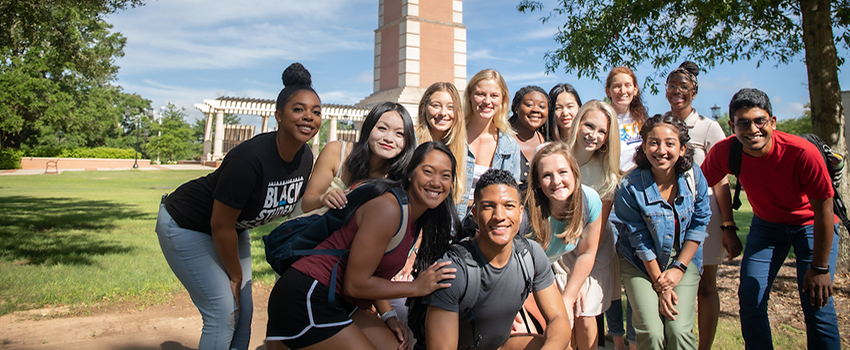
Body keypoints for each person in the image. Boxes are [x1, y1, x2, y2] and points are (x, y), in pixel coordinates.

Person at [155, 62, 321, 350]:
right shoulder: (250, 159)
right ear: (278, 115)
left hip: (233, 229)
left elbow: (298, 206)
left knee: (244, 313)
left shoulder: (305, 158)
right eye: (298, 109)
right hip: (186, 224)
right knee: (223, 313)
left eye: (316, 111)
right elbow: (219, 224)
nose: (309, 116)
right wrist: (235, 275)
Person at [266, 142, 462, 350]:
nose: (436, 182)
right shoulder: (389, 209)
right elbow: (355, 284)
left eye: (445, 176)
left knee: (397, 347)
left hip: (339, 300)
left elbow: (373, 274)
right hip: (307, 296)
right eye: (428, 172)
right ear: (411, 173)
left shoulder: (417, 218)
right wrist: (416, 287)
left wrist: (389, 317)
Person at [701, 88, 841, 350]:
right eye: (743, 122)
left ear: (772, 122)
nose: (752, 129)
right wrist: (726, 228)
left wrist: (821, 269)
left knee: (817, 303)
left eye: (759, 121)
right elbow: (695, 191)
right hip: (767, 227)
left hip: (811, 225)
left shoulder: (801, 152)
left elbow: (824, 209)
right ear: (732, 126)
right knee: (751, 299)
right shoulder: (725, 152)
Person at [417, 169, 571, 350]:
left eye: (509, 206)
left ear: (521, 212)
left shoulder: (530, 254)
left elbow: (558, 318)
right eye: (489, 206)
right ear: (474, 213)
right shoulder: (453, 271)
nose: (499, 216)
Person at [615, 113, 710, 350]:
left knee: (678, 331)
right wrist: (661, 284)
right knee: (652, 332)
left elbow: (699, 224)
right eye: (653, 143)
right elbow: (639, 240)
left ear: (682, 148)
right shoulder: (629, 186)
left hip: (682, 259)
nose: (661, 150)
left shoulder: (693, 177)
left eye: (670, 143)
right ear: (644, 147)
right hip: (640, 261)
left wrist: (678, 270)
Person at [664, 61, 735, 350]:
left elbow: (720, 181)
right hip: (668, 217)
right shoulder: (659, 122)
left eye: (684, 87)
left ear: (694, 91)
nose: (677, 92)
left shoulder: (708, 126)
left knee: (706, 285)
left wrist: (728, 226)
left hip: (704, 216)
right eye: (671, 86)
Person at [523, 141, 606, 349]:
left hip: (541, 275)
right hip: (516, 279)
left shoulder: (590, 200)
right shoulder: (524, 212)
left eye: (562, 172)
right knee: (550, 334)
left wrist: (567, 300)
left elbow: (587, 252)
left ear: (575, 173)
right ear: (537, 182)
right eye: (547, 175)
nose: (556, 181)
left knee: (575, 321)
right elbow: (507, 267)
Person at [564, 100, 623, 349]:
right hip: (558, 246)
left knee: (586, 318)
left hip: (592, 247)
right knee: (563, 318)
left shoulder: (606, 173)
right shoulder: (555, 156)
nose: (594, 135)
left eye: (602, 132)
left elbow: (595, 232)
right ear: (577, 123)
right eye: (589, 126)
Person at [295, 101, 416, 215]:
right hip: (300, 230)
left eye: (399, 134)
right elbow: (307, 203)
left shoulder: (401, 176)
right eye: (382, 128)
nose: (389, 138)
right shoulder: (336, 152)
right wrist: (323, 198)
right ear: (368, 128)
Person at [603, 66, 649, 350]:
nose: (622, 90)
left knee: (636, 273)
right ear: (608, 90)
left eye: (627, 85)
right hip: (609, 197)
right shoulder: (602, 116)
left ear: (635, 90)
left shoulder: (643, 120)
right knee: (611, 275)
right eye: (616, 86)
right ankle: (617, 339)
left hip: (636, 200)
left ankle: (634, 341)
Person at [462, 69, 521, 217]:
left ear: (502, 99)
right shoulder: (454, 137)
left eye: (494, 95)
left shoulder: (510, 146)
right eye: (480, 94)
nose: (487, 101)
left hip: (489, 223)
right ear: (470, 96)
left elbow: (511, 193)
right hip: (451, 223)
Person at [415, 82, 468, 218]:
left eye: (451, 107)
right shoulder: (411, 141)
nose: (443, 113)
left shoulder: (462, 148)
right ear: (424, 108)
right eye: (436, 106)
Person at [509, 85, 550, 193]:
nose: (536, 110)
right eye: (529, 105)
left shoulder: (548, 144)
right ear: (516, 107)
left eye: (542, 106)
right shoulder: (501, 139)